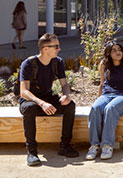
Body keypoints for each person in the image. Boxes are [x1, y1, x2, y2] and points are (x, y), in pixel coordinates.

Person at [18, 33, 79, 166]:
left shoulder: (58, 62)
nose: (59, 49)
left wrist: (66, 96)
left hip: (47, 99)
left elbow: (64, 85)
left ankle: (65, 145)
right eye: (56, 46)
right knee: (30, 108)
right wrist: (41, 103)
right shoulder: (28, 64)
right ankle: (32, 152)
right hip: (31, 101)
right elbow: (23, 92)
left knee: (70, 106)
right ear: (45, 48)